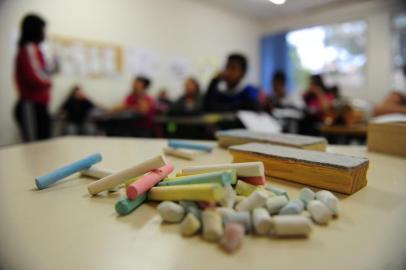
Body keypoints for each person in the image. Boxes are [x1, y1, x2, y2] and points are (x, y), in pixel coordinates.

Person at [14, 14, 57, 142]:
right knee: (34, 147)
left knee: (42, 145)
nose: (44, 33)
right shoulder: (29, 48)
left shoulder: (36, 50)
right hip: (31, 105)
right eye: (43, 29)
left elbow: (42, 72)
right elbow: (35, 77)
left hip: (39, 105)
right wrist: (49, 81)